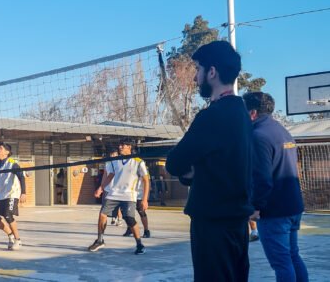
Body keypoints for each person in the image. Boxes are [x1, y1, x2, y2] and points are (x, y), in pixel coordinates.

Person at [165, 41, 253, 282]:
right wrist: (197, 170)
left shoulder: (212, 116)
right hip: (236, 222)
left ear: (212, 72)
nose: (196, 78)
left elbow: (174, 163)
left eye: (198, 70)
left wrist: (191, 172)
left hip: (213, 223)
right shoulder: (242, 113)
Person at [243, 91, 309, 281]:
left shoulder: (258, 136)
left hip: (274, 211)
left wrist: (255, 206)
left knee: (281, 263)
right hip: (293, 206)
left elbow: (262, 178)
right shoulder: (282, 131)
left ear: (252, 113)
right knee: (293, 256)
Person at [89, 138, 148, 255]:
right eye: (120, 145)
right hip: (113, 194)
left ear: (129, 147)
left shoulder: (138, 161)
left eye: (123, 145)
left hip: (129, 195)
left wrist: (145, 199)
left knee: (129, 219)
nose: (120, 147)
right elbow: (111, 175)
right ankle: (100, 240)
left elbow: (146, 180)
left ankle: (139, 244)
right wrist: (101, 188)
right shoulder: (116, 160)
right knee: (102, 214)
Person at [123, 165, 151, 238]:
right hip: (130, 194)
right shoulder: (130, 170)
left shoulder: (143, 171)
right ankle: (129, 228)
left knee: (141, 212)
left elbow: (147, 183)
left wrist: (145, 198)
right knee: (128, 213)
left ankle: (146, 231)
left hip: (139, 195)